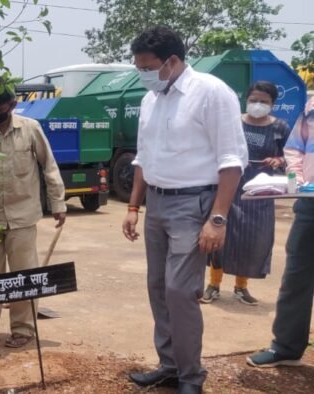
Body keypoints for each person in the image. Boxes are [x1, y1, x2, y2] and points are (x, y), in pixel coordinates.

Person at [121, 27, 247, 394]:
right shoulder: (151, 100)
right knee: (158, 287)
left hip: (194, 204)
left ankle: (191, 377)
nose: (142, 73)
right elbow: (143, 157)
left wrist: (218, 218)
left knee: (180, 290)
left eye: (147, 67)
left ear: (173, 62)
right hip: (156, 203)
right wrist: (133, 205)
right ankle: (169, 365)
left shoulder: (210, 93)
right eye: (138, 66)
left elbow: (232, 160)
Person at [0, 76, 66, 352]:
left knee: (24, 276)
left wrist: (58, 203)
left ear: (12, 104)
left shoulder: (30, 129)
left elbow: (50, 167)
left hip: (23, 217)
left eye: (0, 109)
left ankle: (22, 329)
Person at [201, 81, 291, 306]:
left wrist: (279, 160)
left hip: (260, 192)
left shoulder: (280, 127)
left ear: (273, 104)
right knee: (221, 237)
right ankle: (213, 285)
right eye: (254, 100)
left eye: (264, 101)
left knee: (253, 241)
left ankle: (241, 287)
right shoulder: (233, 123)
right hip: (229, 187)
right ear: (246, 100)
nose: (258, 105)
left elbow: (291, 155)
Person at [247, 95, 314, 368]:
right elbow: (295, 147)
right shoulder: (311, 108)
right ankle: (286, 347)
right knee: (296, 275)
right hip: (310, 202)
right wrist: (299, 180)